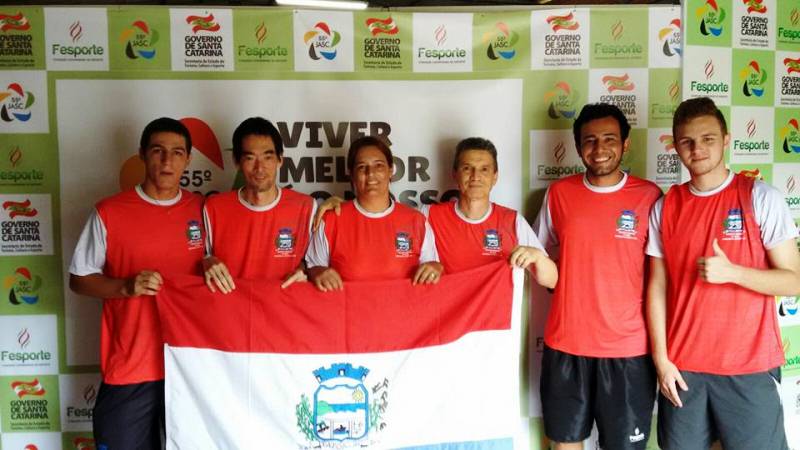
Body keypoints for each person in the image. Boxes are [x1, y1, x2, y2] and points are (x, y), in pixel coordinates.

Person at [646, 97, 800, 450]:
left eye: (708, 139)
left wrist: (734, 273)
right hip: (684, 371)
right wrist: (662, 361)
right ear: (676, 147)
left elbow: (794, 279)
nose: (697, 149)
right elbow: (656, 287)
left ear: (726, 139)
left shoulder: (760, 197)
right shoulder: (665, 206)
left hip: (749, 367)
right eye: (687, 141)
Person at [69, 118, 205, 450]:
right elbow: (79, 279)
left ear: (188, 159)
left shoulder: (204, 211)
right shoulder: (109, 212)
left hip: (191, 367)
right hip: (131, 367)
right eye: (158, 151)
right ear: (142, 155)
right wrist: (124, 288)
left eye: (177, 152)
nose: (167, 161)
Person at [533, 103, 661, 450]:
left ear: (625, 143)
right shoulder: (558, 194)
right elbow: (539, 259)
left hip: (628, 350)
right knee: (564, 445)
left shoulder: (649, 197)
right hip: (566, 346)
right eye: (589, 140)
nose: (599, 149)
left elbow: (662, 278)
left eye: (609, 139)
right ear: (578, 147)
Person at [306, 136, 442, 290]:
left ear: (390, 170)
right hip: (348, 313)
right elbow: (312, 267)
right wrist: (318, 272)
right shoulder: (332, 220)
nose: (370, 174)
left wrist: (436, 268)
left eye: (378, 165)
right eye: (362, 167)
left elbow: (431, 272)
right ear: (351, 174)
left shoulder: (416, 221)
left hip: (403, 313)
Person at [423, 137, 557, 287]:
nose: (475, 176)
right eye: (467, 168)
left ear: (495, 177)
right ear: (455, 174)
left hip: (498, 311)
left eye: (484, 169)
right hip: (446, 310)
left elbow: (552, 281)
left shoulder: (512, 221)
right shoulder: (429, 216)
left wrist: (538, 257)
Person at [202, 117, 316, 293]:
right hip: (230, 314)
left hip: (285, 314)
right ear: (237, 162)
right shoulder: (214, 208)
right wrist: (206, 261)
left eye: (268, 157)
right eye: (250, 158)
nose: (260, 168)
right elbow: (199, 258)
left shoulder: (306, 207)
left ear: (280, 159)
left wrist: (305, 271)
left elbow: (315, 264)